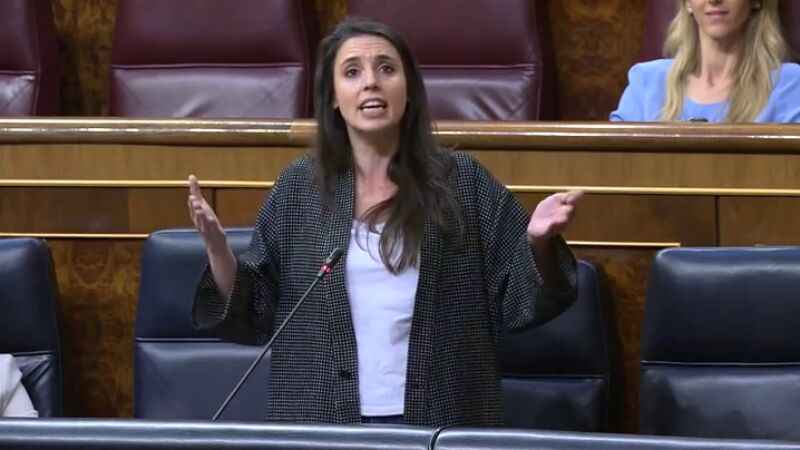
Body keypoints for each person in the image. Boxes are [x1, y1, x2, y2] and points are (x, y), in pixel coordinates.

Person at [189, 18, 581, 427]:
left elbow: (522, 301)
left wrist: (536, 242)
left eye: (386, 69)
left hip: (439, 423)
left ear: (408, 90)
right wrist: (218, 249)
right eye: (352, 72)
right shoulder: (299, 190)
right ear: (333, 98)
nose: (371, 83)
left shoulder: (462, 183)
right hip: (322, 426)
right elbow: (253, 312)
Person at [611, 0, 800, 123]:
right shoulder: (645, 82)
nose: (714, 0)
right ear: (688, 3)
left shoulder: (790, 85)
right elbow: (615, 164)